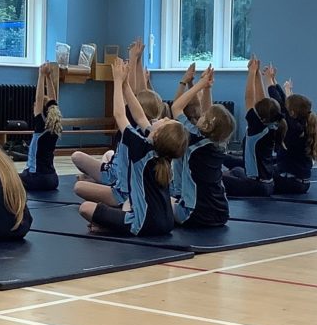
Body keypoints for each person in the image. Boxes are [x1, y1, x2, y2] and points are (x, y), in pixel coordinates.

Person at [78, 58, 188, 236]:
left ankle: (108, 226)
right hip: (167, 223)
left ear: (158, 134)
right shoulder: (160, 150)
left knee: (85, 208)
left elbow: (119, 115)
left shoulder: (142, 148)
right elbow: (139, 115)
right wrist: (126, 85)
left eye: (165, 121)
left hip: (143, 223)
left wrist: (117, 81)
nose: (163, 118)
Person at [170, 66, 236, 227]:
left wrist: (199, 85)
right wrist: (207, 88)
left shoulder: (193, 138)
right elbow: (208, 111)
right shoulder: (219, 142)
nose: (201, 113)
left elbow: (176, 107)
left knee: (152, 201)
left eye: (204, 116)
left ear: (207, 123)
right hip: (221, 213)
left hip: (194, 214)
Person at [223, 56, 287, 197]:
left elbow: (249, 98)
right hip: (268, 184)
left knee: (212, 178)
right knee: (237, 170)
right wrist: (257, 74)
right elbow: (262, 101)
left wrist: (251, 73)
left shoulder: (258, 129)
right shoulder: (274, 124)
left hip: (256, 186)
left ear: (260, 116)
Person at [262, 64, 317, 194]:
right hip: (302, 183)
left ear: (293, 113)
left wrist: (267, 80)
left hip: (289, 183)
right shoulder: (306, 123)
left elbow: (278, 103)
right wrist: (273, 80)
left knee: (249, 173)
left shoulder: (294, 127)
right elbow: (285, 101)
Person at [19, 63, 62, 191]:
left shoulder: (41, 126)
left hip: (37, 178)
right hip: (53, 179)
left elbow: (39, 99)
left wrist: (41, 75)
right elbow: (53, 101)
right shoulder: (55, 125)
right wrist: (48, 77)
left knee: (9, 177)